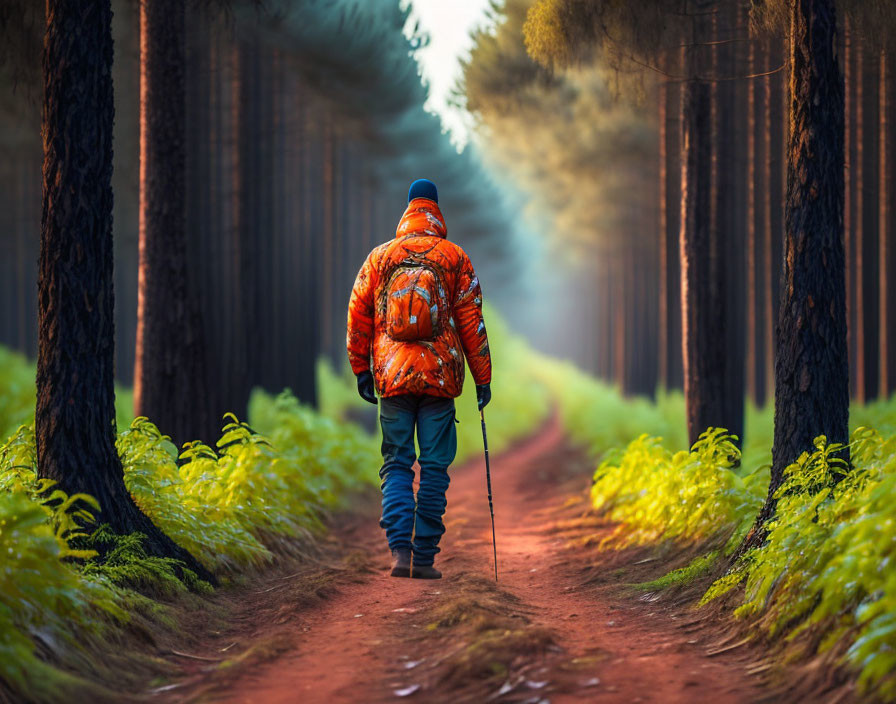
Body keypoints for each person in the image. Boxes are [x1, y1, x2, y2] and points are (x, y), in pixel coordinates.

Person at [346, 179, 492, 579]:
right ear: (436, 211)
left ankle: (399, 553)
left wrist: (361, 368)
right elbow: (471, 322)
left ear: (408, 209)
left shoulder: (380, 258)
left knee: (396, 462)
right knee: (434, 467)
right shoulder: (455, 258)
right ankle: (425, 556)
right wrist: (483, 379)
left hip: (391, 377)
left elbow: (358, 315)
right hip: (439, 379)